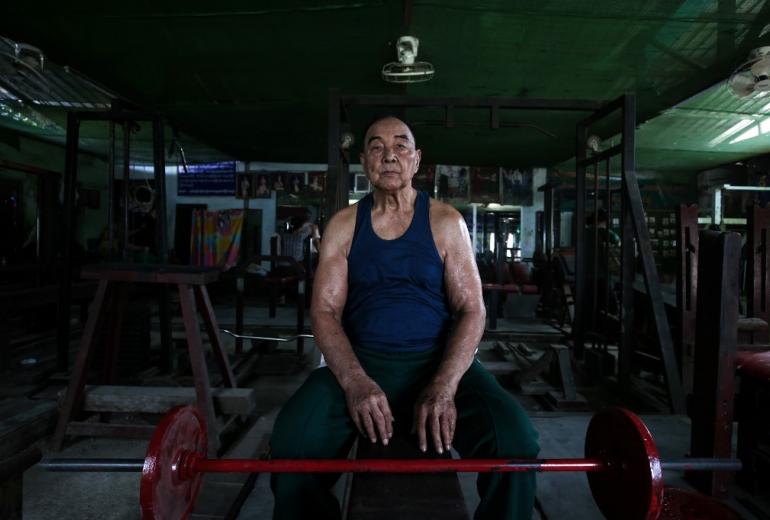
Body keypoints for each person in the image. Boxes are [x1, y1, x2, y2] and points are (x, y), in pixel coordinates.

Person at [270, 116, 539, 520]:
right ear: (365, 161)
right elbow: (324, 310)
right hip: (362, 365)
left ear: (416, 160)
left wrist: (446, 386)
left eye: (400, 146)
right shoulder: (343, 225)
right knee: (291, 441)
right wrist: (356, 381)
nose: (389, 155)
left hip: (439, 364)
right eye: (377, 147)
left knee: (516, 440)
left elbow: (472, 309)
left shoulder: (447, 222)